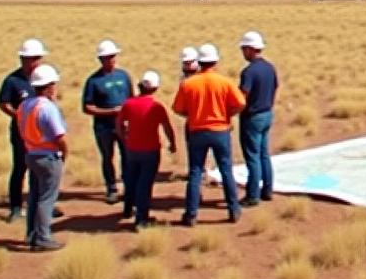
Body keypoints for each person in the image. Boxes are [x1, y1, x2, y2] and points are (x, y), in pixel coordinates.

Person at [171, 43, 246, 226]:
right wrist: (227, 115)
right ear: (215, 61)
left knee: (195, 172)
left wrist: (192, 115)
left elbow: (177, 108)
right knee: (226, 170)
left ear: (199, 62)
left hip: (197, 131)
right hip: (220, 131)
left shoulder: (188, 84)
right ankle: (233, 209)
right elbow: (241, 103)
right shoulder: (224, 82)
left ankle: (191, 214)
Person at [116, 70, 177, 230]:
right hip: (150, 150)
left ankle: (128, 209)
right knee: (145, 183)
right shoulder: (157, 107)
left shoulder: (128, 104)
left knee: (131, 179)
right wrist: (172, 143)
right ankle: (141, 219)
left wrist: (124, 138)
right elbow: (167, 127)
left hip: (132, 149)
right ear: (155, 88)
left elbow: (119, 124)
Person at [19, 64, 69, 251]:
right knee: (47, 198)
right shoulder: (47, 108)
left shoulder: (25, 105)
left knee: (34, 196)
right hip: (48, 157)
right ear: (48, 86)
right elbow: (59, 137)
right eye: (53, 84)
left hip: (31, 154)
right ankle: (43, 237)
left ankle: (31, 234)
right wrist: (64, 154)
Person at [0, 38, 44, 223]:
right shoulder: (13, 81)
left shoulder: (42, 79)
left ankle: (40, 204)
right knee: (20, 168)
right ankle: (16, 207)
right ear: (22, 59)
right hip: (21, 134)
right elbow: (3, 103)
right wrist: (19, 115)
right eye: (31, 58)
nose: (35, 62)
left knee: (40, 169)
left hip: (41, 134)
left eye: (37, 58)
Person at [82, 39, 132, 204]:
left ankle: (129, 187)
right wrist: (110, 112)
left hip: (124, 126)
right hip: (104, 128)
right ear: (100, 59)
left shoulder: (124, 76)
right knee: (107, 157)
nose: (110, 60)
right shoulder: (93, 81)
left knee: (127, 156)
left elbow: (132, 99)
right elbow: (87, 107)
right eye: (106, 57)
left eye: (112, 56)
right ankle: (111, 188)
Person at [237, 30, 279, 206]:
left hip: (252, 117)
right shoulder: (270, 68)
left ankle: (253, 195)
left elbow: (242, 96)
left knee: (252, 157)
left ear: (250, 49)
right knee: (263, 154)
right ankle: (267, 190)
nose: (243, 52)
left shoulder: (248, 72)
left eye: (243, 49)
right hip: (267, 113)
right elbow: (275, 87)